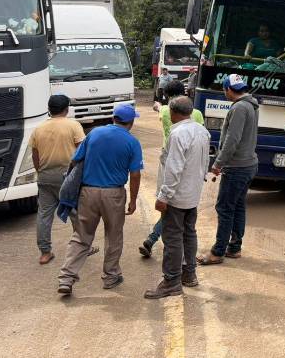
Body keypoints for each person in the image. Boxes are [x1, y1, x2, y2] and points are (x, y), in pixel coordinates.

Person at [57, 104, 144, 295]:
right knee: (114, 235)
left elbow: (75, 161)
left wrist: (71, 185)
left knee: (81, 236)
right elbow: (135, 174)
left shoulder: (94, 134)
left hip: (88, 193)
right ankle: (111, 277)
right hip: (114, 195)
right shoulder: (132, 142)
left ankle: (66, 278)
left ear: (114, 118)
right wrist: (133, 200)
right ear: (130, 122)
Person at [145, 97, 210, 299]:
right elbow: (204, 163)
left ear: (173, 112)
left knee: (172, 238)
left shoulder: (178, 133)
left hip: (177, 196)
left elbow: (174, 169)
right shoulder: (202, 131)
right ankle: (189, 274)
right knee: (189, 234)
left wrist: (164, 196)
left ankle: (171, 281)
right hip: (192, 194)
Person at [197, 74, 259, 265]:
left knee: (224, 208)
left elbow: (233, 139)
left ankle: (218, 252)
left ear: (228, 90)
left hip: (237, 167)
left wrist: (218, 163)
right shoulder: (251, 104)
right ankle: (234, 247)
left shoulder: (240, 107)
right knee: (238, 206)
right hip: (248, 164)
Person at [139, 80, 205, 258]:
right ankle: (183, 260)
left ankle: (153, 239)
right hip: (193, 163)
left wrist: (158, 104)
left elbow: (159, 109)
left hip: (169, 158)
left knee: (170, 204)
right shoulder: (196, 114)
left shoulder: (167, 110)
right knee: (183, 211)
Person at [30, 94, 86, 265]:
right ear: (66, 109)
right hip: (68, 176)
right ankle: (83, 247)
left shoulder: (38, 129)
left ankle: (45, 252)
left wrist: (41, 172)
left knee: (44, 215)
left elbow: (35, 155)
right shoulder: (73, 126)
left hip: (45, 176)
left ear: (49, 109)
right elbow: (82, 152)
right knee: (76, 213)